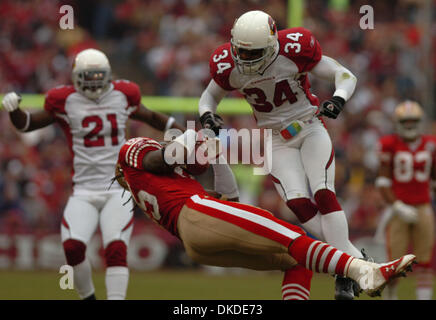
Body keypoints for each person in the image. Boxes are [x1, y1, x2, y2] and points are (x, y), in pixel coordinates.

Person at [115, 129, 416, 299]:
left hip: (196, 235)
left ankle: (355, 273)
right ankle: (363, 271)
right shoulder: (136, 151)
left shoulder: (161, 185)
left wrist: (216, 154)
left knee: (296, 259)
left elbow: (230, 198)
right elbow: (163, 159)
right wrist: (191, 136)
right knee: (293, 236)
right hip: (194, 212)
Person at [198, 10, 363, 299]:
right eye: (241, 52)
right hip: (275, 139)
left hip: (309, 127)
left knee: (324, 192)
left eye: (254, 53)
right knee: (298, 203)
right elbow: (209, 96)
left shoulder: (294, 49)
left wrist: (338, 99)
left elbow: (344, 74)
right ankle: (355, 261)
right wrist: (207, 116)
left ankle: (343, 273)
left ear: (272, 43)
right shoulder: (227, 65)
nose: (246, 60)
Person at [1, 48, 184, 300]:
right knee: (72, 247)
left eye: (99, 75)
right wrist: (14, 111)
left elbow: (151, 116)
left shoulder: (123, 95)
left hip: (118, 188)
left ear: (108, 75)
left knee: (116, 249)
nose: (95, 81)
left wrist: (183, 132)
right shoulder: (64, 100)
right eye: (89, 76)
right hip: (83, 191)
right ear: (76, 77)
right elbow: (27, 124)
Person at [375, 101, 435, 300]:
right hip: (398, 210)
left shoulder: (431, 144)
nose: (409, 125)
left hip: (423, 207)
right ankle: (391, 297)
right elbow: (382, 182)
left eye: (413, 121)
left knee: (425, 262)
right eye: (405, 121)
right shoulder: (389, 144)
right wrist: (397, 206)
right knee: (395, 264)